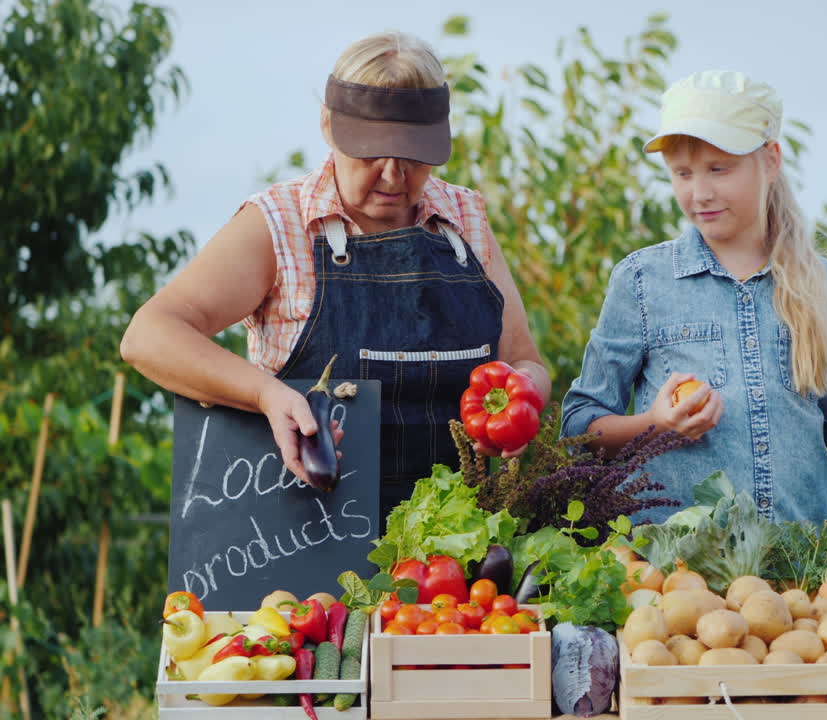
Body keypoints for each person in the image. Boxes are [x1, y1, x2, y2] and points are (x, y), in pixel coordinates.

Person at [121, 31, 550, 522]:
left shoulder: (464, 219)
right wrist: (266, 395)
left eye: (413, 157)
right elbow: (149, 335)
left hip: (457, 555)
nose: (393, 176)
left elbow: (523, 360)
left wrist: (521, 403)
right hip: (310, 545)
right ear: (328, 125)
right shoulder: (279, 224)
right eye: (371, 153)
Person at [560, 70, 827, 525]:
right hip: (675, 576)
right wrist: (654, 424)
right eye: (683, 174)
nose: (700, 193)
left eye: (718, 169)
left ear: (770, 160)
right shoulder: (642, 280)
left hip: (800, 570)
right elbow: (578, 427)